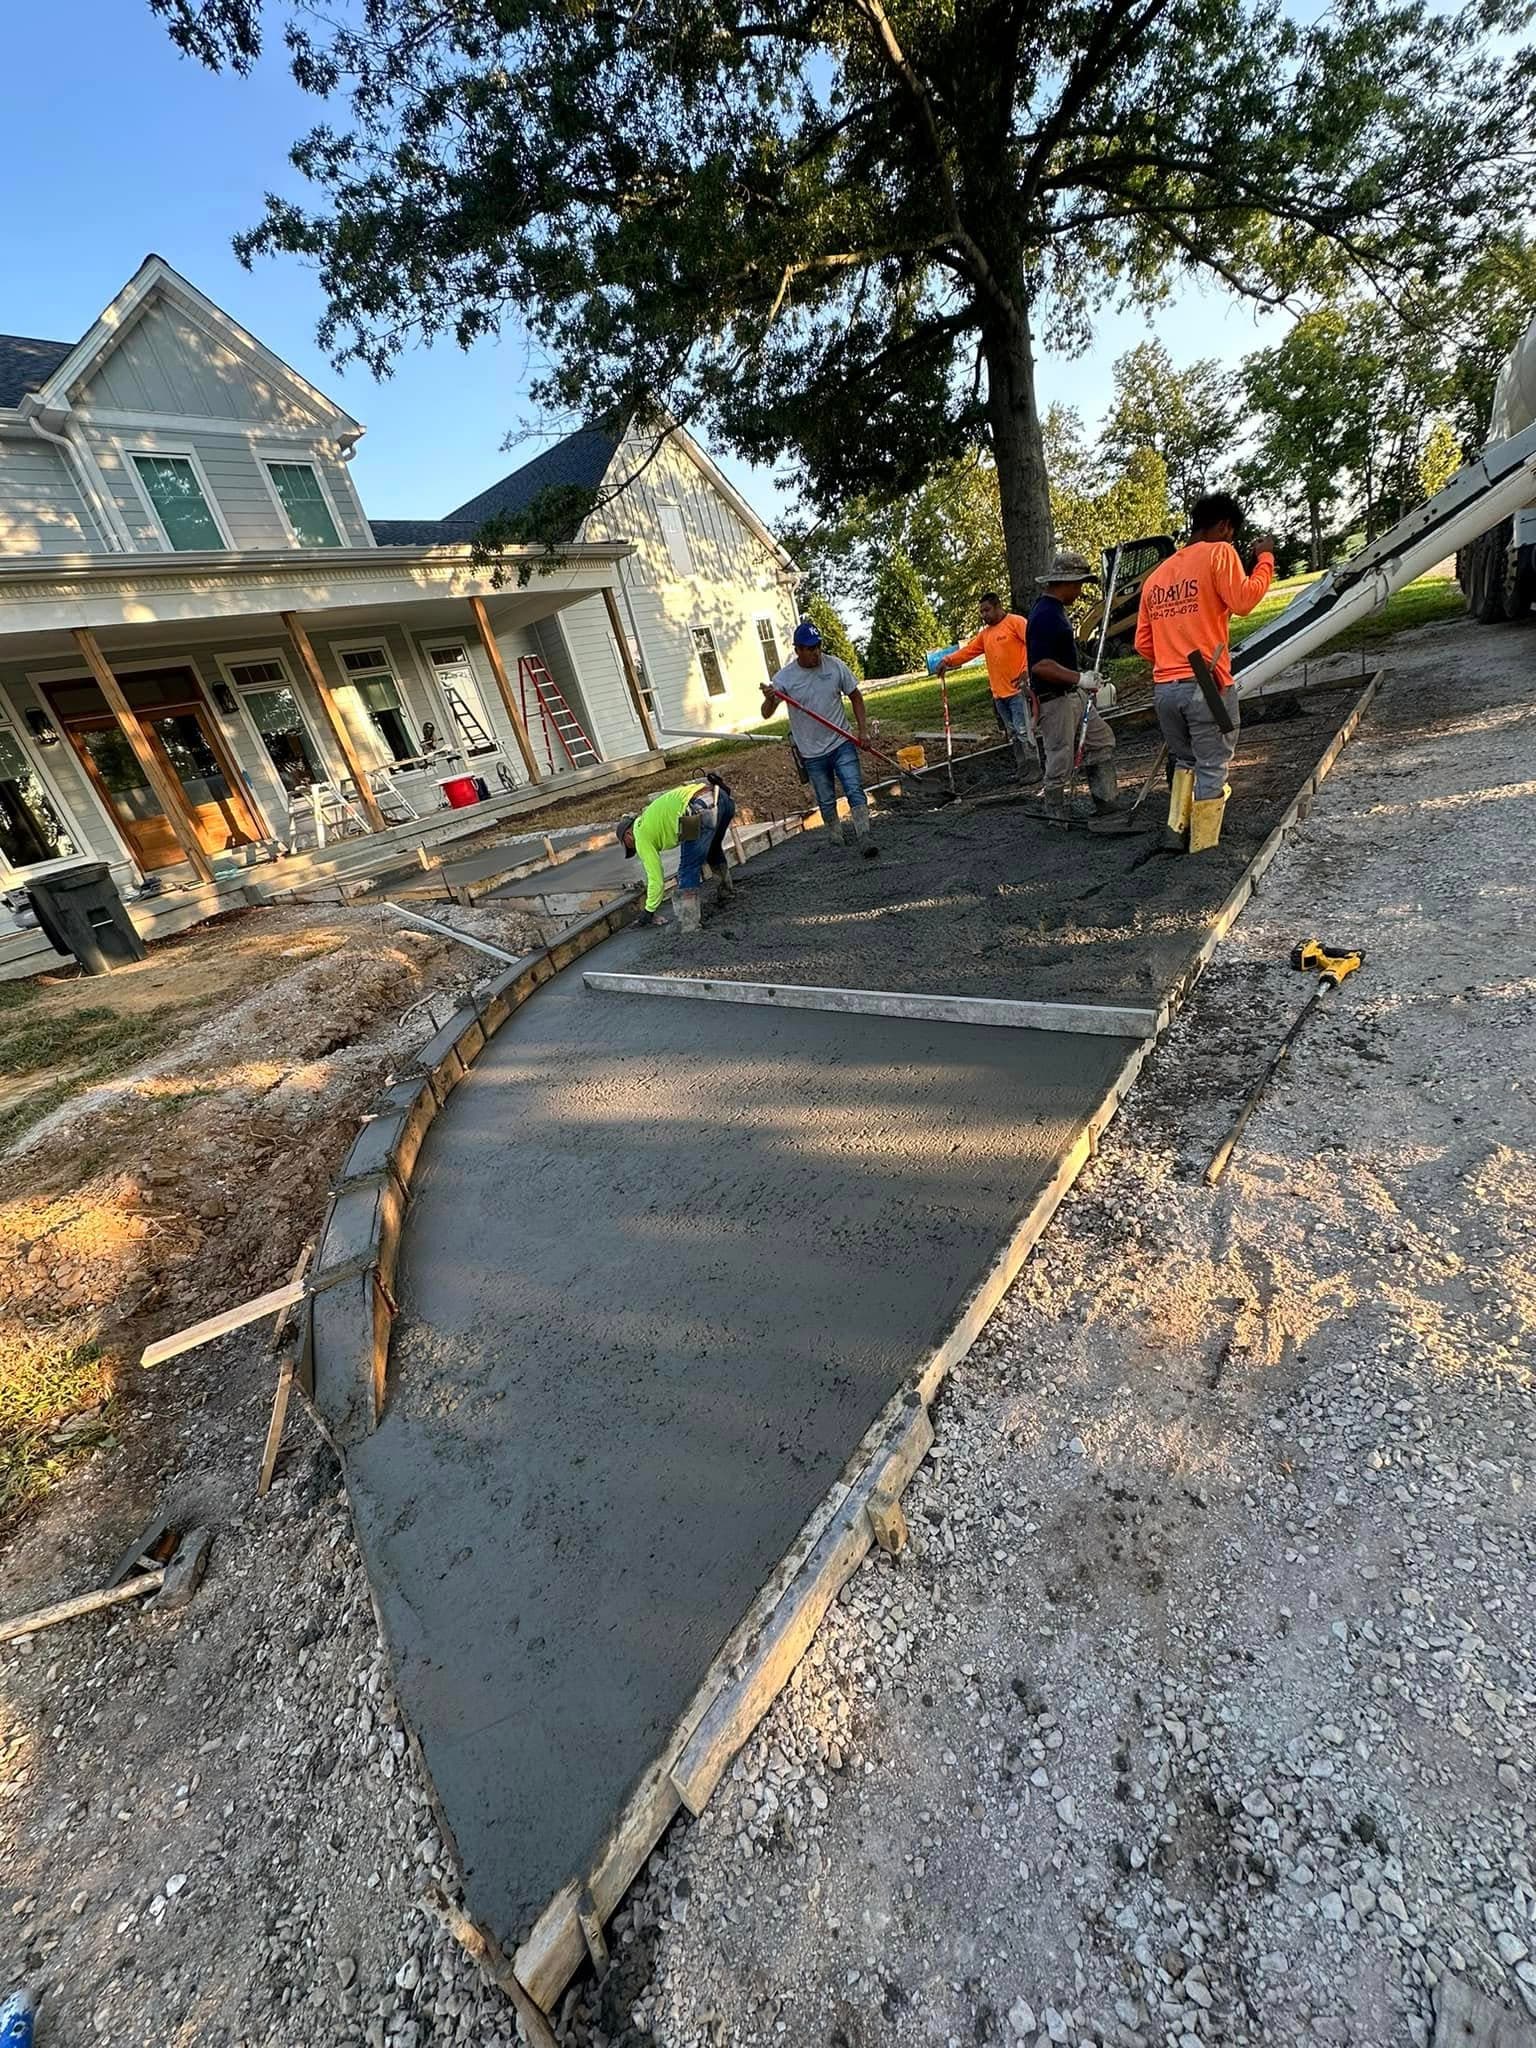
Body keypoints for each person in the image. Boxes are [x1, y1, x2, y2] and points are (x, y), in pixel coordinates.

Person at [1135, 493, 1276, 852]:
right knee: (1213, 764)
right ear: (1225, 526)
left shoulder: (1157, 576)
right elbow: (1244, 601)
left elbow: (1142, 644)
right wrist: (1264, 560)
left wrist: (1171, 660)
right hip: (1206, 685)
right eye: (1231, 534)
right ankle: (1203, 846)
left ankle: (1175, 831)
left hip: (1166, 688)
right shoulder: (1220, 553)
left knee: (1185, 759)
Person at [761, 619, 877, 854]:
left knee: (854, 789)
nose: (816, 653)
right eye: (810, 648)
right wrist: (770, 697)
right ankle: (836, 840)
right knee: (825, 800)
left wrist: (862, 731)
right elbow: (766, 714)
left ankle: (864, 836)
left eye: (818, 646)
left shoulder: (834, 666)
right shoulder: (785, 679)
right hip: (811, 753)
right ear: (798, 650)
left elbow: (856, 696)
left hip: (841, 742)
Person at [1026, 549, 1117, 821]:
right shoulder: (1044, 615)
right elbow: (1040, 665)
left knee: (1101, 740)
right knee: (1060, 756)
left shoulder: (1056, 612)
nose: (1079, 591)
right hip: (1055, 700)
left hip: (1072, 694)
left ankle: (1106, 800)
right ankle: (1055, 811)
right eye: (1077, 584)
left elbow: (1060, 658)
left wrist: (1082, 676)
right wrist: (1079, 678)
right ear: (1064, 582)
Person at [615, 773, 736, 933]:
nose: (634, 849)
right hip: (721, 798)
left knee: (687, 868)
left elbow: (656, 879)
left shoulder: (640, 834)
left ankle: (688, 923)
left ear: (628, 835)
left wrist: (648, 912)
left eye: (630, 845)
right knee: (712, 850)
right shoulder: (651, 818)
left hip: (697, 810)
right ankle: (726, 892)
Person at [937, 592, 1034, 779]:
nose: (984, 615)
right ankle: (1022, 768)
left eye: (987, 610)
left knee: (1023, 730)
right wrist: (947, 660)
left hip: (1017, 689)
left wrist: (1026, 670)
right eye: (981, 612)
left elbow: (1033, 643)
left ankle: (1034, 766)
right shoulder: (985, 635)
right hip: (999, 693)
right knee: (1012, 733)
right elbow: (969, 651)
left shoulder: (1016, 623)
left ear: (998, 606)